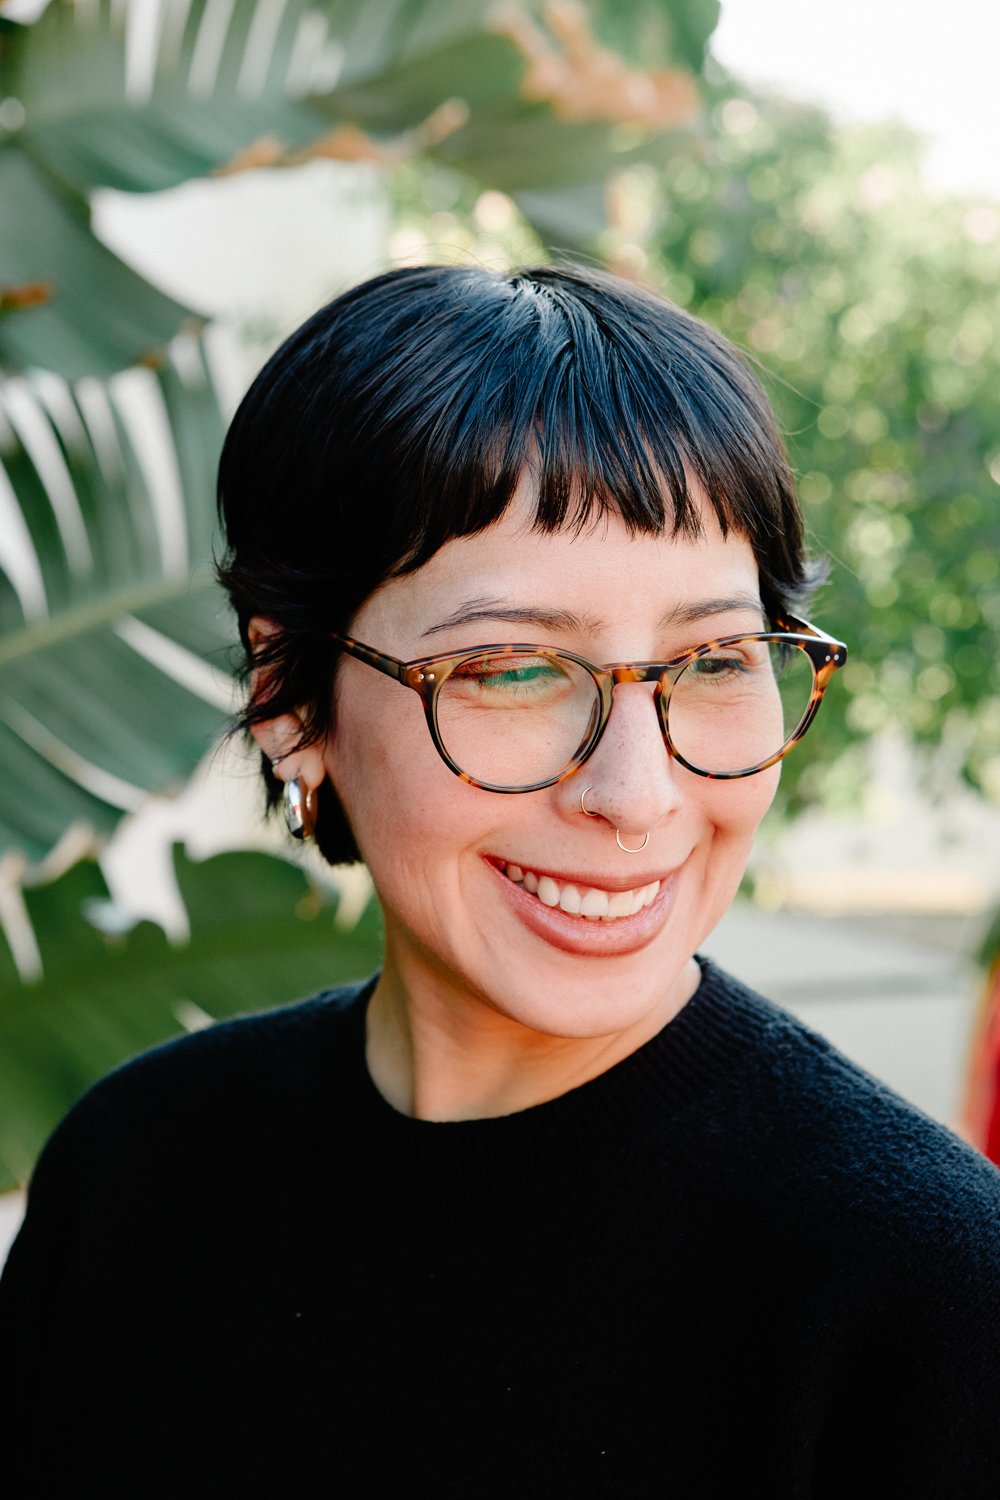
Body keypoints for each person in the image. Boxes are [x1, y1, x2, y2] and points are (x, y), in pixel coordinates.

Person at [2, 264, 999, 1497]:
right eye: (514, 669)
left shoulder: (925, 1292)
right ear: (290, 701)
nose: (637, 793)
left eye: (715, 660)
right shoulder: (137, 1176)